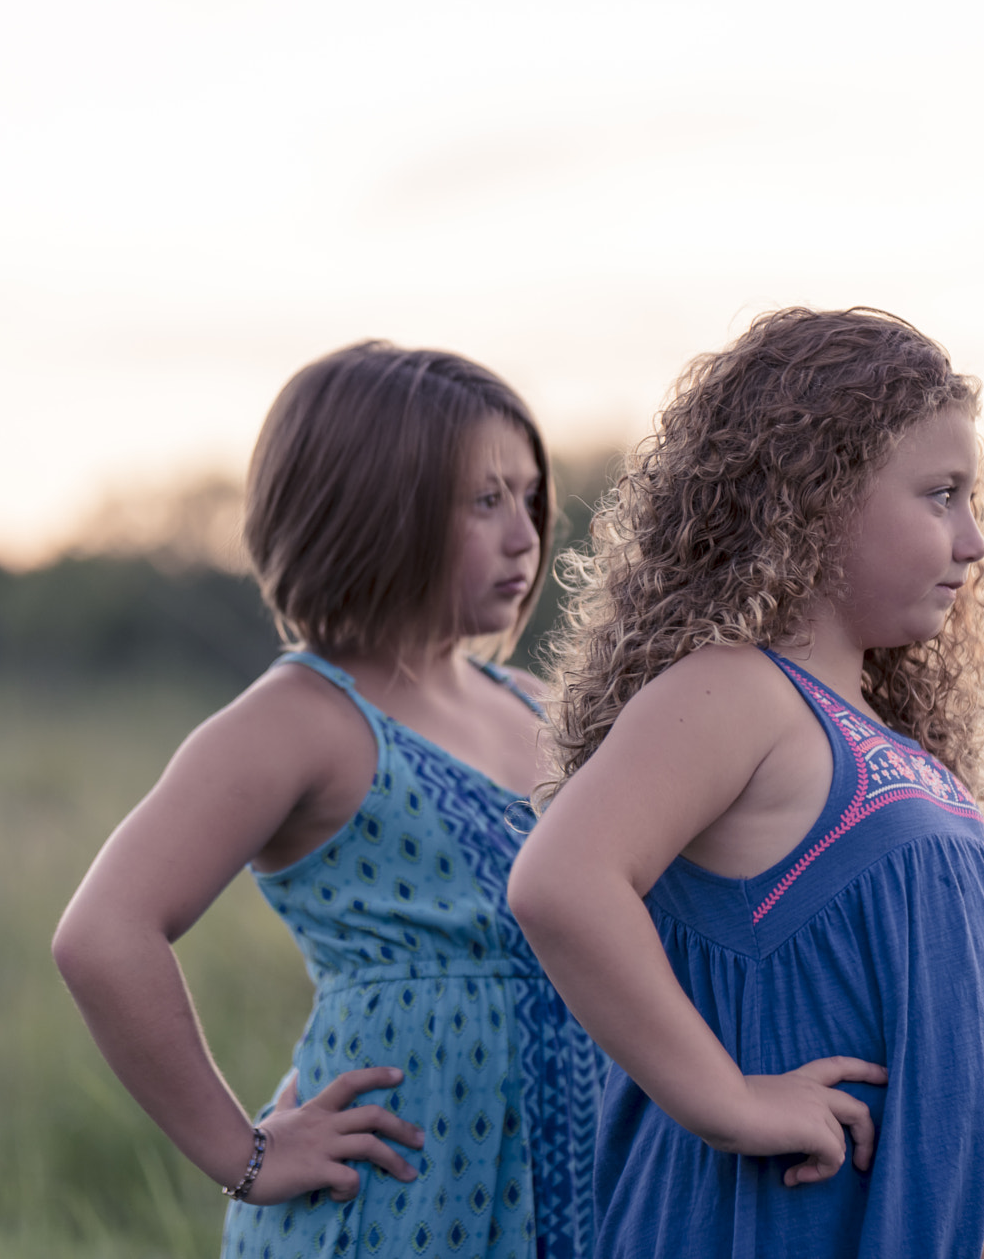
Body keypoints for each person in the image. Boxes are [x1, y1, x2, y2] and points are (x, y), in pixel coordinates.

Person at [506, 307, 984, 1258]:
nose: (974, 542)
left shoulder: (895, 740)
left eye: (973, 500)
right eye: (940, 494)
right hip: (774, 1220)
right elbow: (561, 881)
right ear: (816, 496)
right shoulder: (736, 690)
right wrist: (729, 1102)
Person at [53, 342, 606, 1259]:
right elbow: (103, 934)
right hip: (400, 1203)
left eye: (530, 494)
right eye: (483, 499)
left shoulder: (536, 706)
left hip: (568, 1193)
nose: (525, 532)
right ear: (375, 509)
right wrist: (248, 1153)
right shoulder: (301, 718)